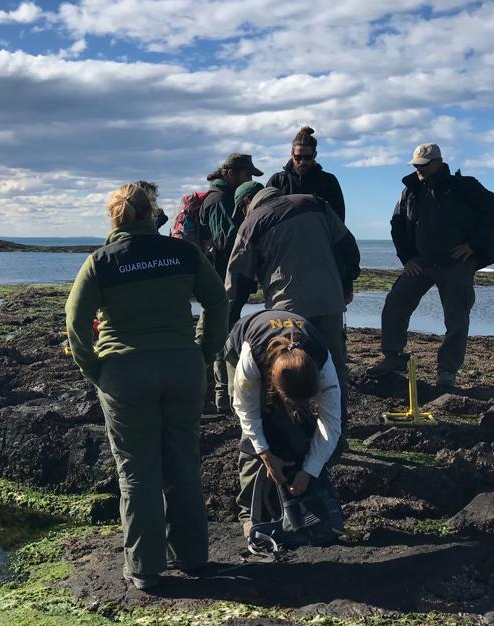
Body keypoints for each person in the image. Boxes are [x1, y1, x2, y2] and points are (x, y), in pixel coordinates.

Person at [65, 183, 229, 591]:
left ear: (115, 217)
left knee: (137, 472)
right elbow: (219, 302)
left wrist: (95, 369)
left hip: (124, 373)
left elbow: (75, 321)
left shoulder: (101, 261)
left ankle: (144, 567)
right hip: (182, 367)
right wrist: (203, 353)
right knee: (183, 464)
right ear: (150, 213)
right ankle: (192, 556)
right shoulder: (183, 253)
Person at [368, 144, 494, 389]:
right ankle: (393, 357)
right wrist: (407, 258)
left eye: (423, 165)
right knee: (395, 304)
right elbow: (397, 223)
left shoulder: (464, 186)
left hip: (457, 263)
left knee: (456, 319)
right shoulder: (410, 190)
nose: (418, 169)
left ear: (438, 163)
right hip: (420, 263)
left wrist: (473, 245)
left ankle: (447, 371)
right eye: (415, 164)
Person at [226, 187, 360, 430]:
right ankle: (337, 432)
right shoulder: (315, 202)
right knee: (335, 368)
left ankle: (300, 431)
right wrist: (346, 282)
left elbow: (238, 280)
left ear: (248, 202)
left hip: (287, 311)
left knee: (292, 369)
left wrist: (232, 319)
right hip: (329, 301)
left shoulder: (252, 222)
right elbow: (348, 246)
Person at [227, 310, 341, 540]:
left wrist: (310, 470)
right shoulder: (252, 358)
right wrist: (266, 455)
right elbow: (245, 410)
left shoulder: (322, 362)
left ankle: (290, 493)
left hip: (297, 353)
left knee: (296, 422)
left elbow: (331, 423)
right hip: (244, 339)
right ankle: (249, 514)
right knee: (253, 431)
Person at [200, 153, 263, 412]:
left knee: (220, 334)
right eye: (247, 175)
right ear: (231, 173)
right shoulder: (220, 200)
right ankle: (219, 398)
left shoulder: (220, 198)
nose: (248, 180)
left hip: (224, 281)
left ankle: (217, 397)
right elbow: (227, 240)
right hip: (220, 282)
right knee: (218, 337)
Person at [266, 126, 346, 221]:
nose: (302, 162)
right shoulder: (277, 181)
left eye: (307, 157)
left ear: (314, 155)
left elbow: (338, 220)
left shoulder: (328, 181)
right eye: (298, 157)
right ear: (292, 153)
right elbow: (265, 215)